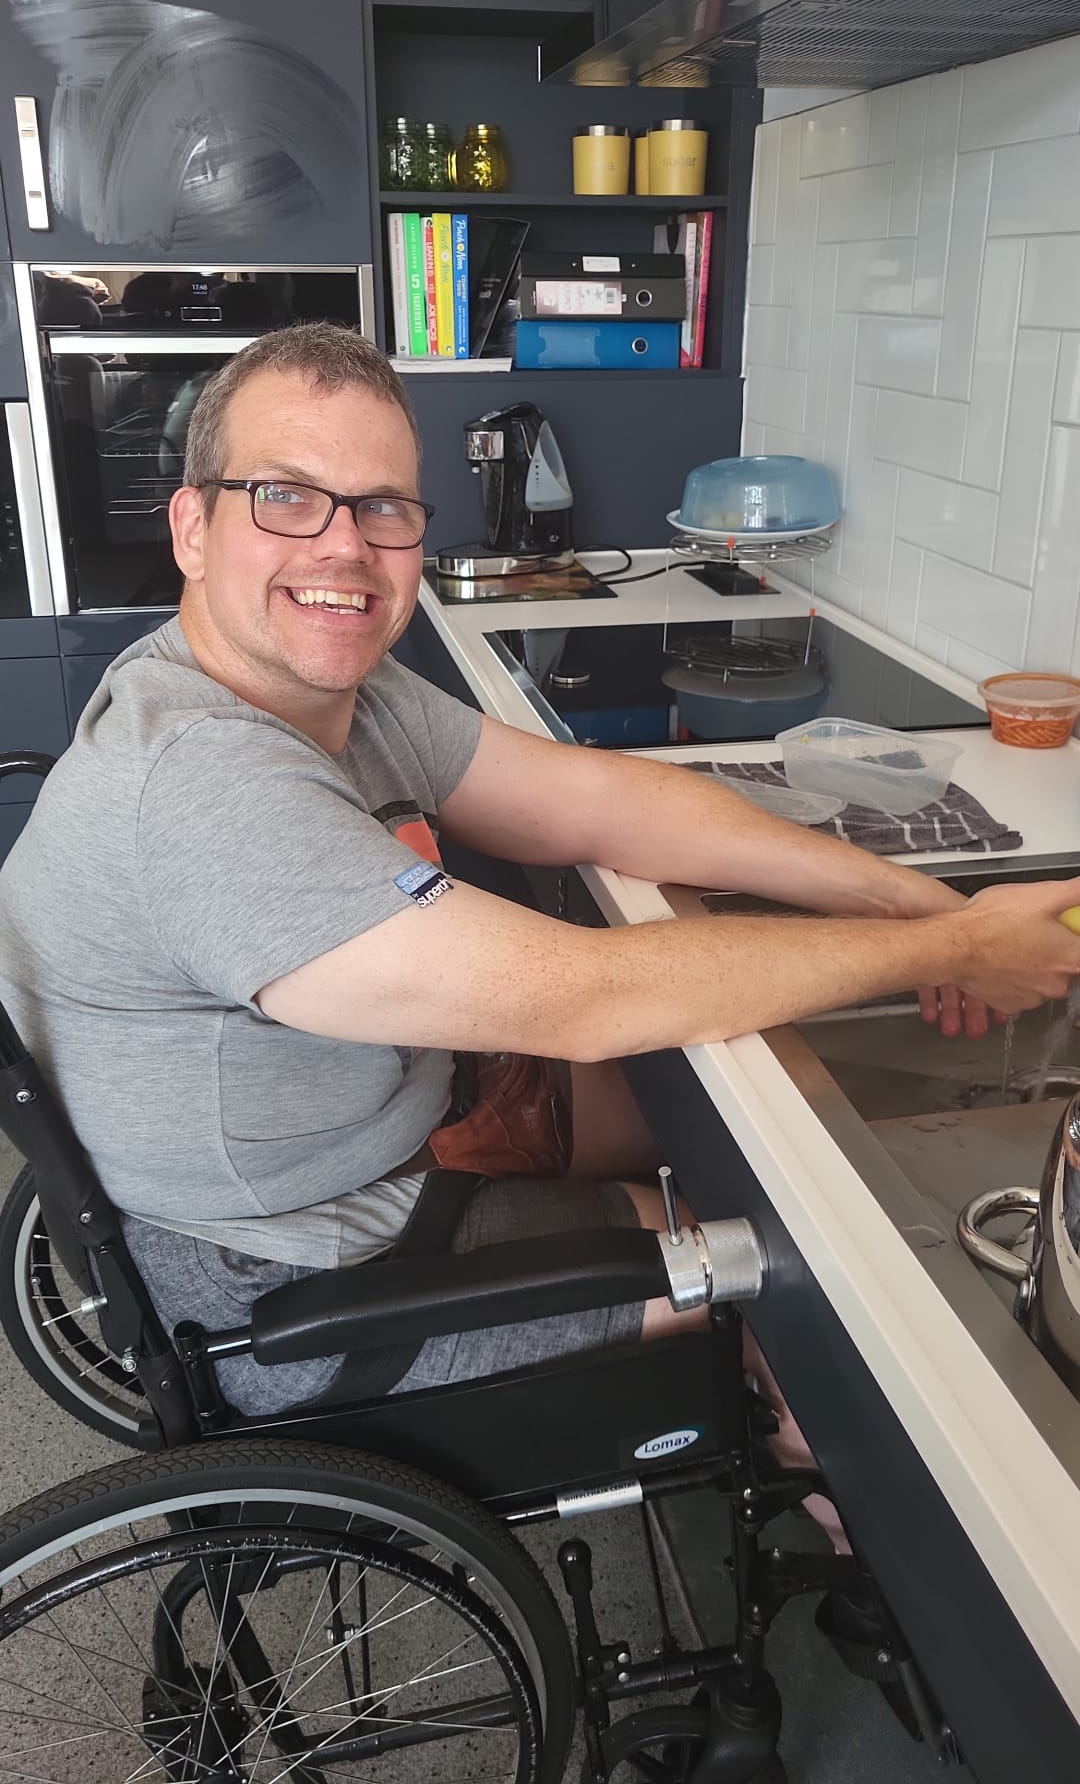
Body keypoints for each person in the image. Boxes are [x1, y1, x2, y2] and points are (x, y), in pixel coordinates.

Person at [2, 322, 1079, 1446]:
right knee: (793, 1265)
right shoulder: (202, 783)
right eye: (286, 497)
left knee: (720, 1113)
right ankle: (830, 1480)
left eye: (382, 507)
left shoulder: (332, 688)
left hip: (378, 1120)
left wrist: (917, 904)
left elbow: (602, 803)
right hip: (299, 1277)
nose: (343, 546)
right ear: (192, 525)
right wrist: (959, 950)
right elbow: (587, 999)